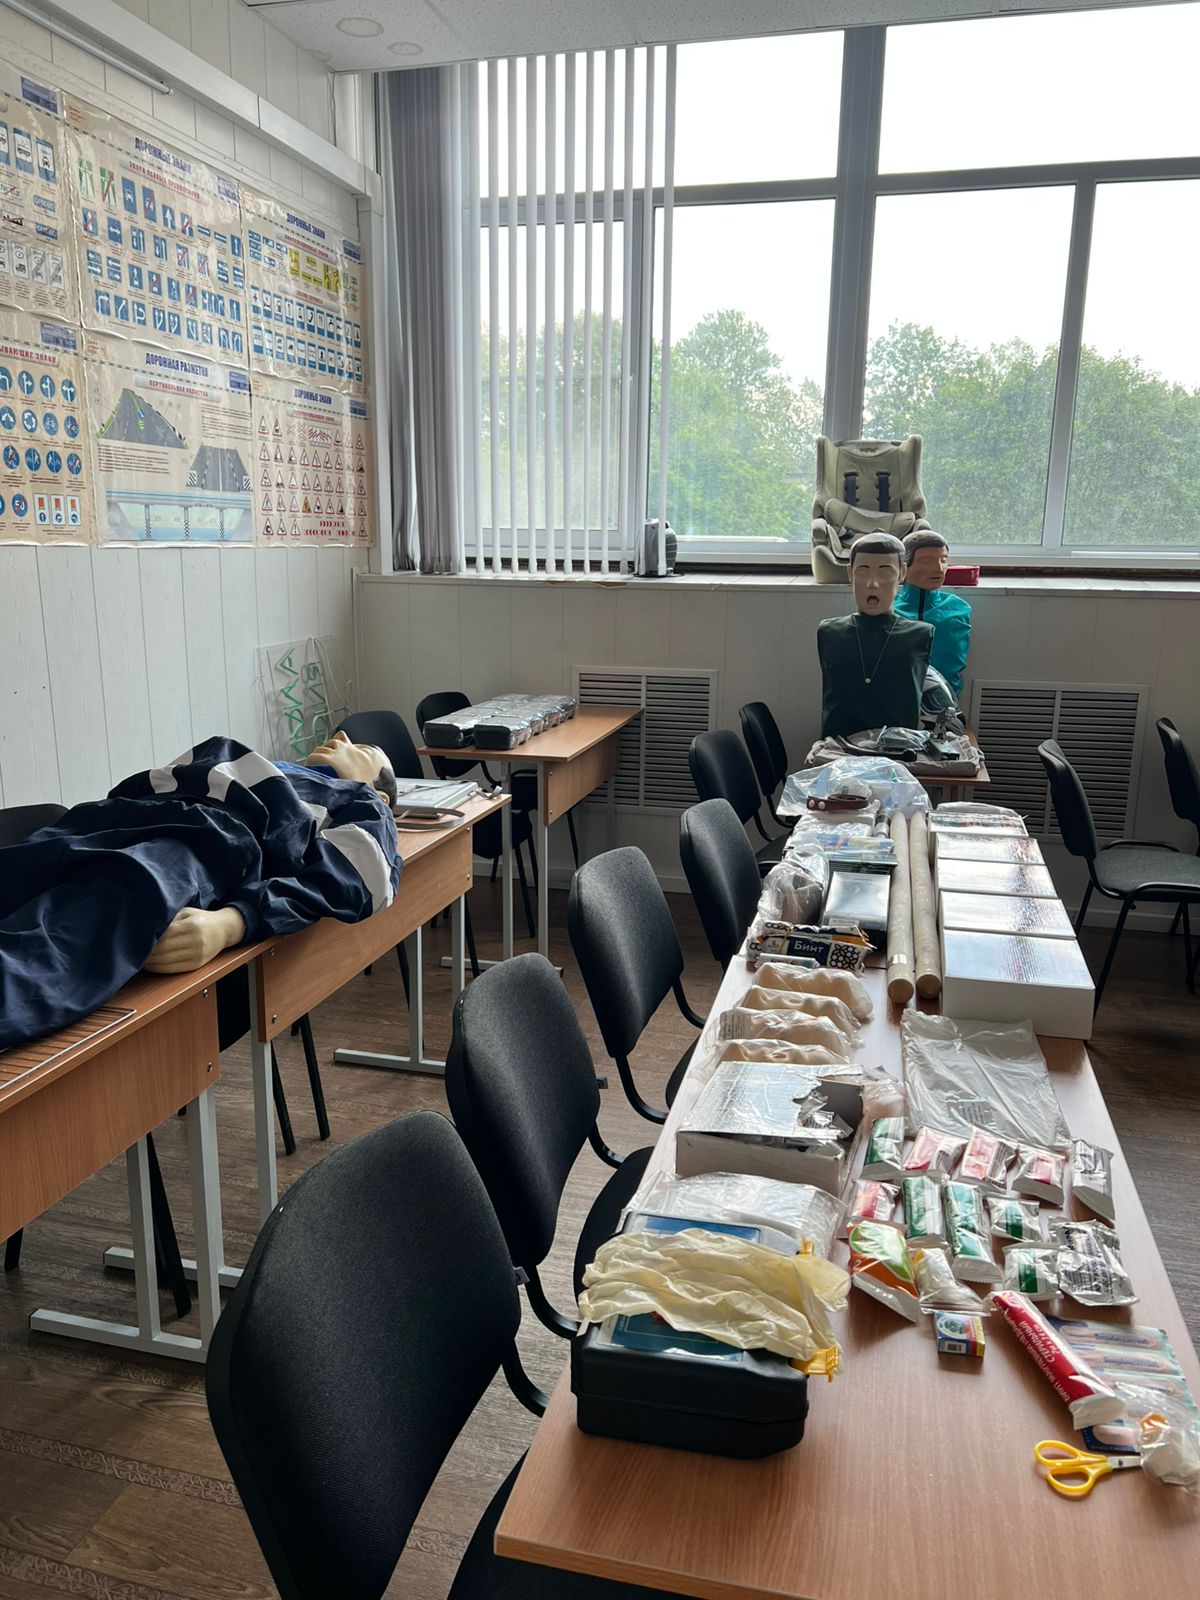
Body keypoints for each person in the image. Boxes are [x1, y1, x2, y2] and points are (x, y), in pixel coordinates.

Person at [0, 732, 401, 1050]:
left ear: (381, 794)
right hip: (109, 819)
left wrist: (233, 922)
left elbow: (358, 875)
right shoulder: (262, 764)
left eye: (363, 749)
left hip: (202, 840)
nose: (342, 735)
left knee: (66, 936)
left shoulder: (361, 799)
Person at [816, 533, 934, 738]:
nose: (873, 583)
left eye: (885, 572)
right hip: (838, 749)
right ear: (850, 573)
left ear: (902, 573)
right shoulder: (829, 632)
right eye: (863, 571)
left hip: (899, 749)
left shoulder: (920, 634)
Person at [893, 529, 972, 699]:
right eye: (926, 561)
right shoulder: (888, 608)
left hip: (945, 702)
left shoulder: (958, 608)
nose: (939, 568)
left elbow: (954, 665)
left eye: (943, 560)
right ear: (904, 566)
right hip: (895, 700)